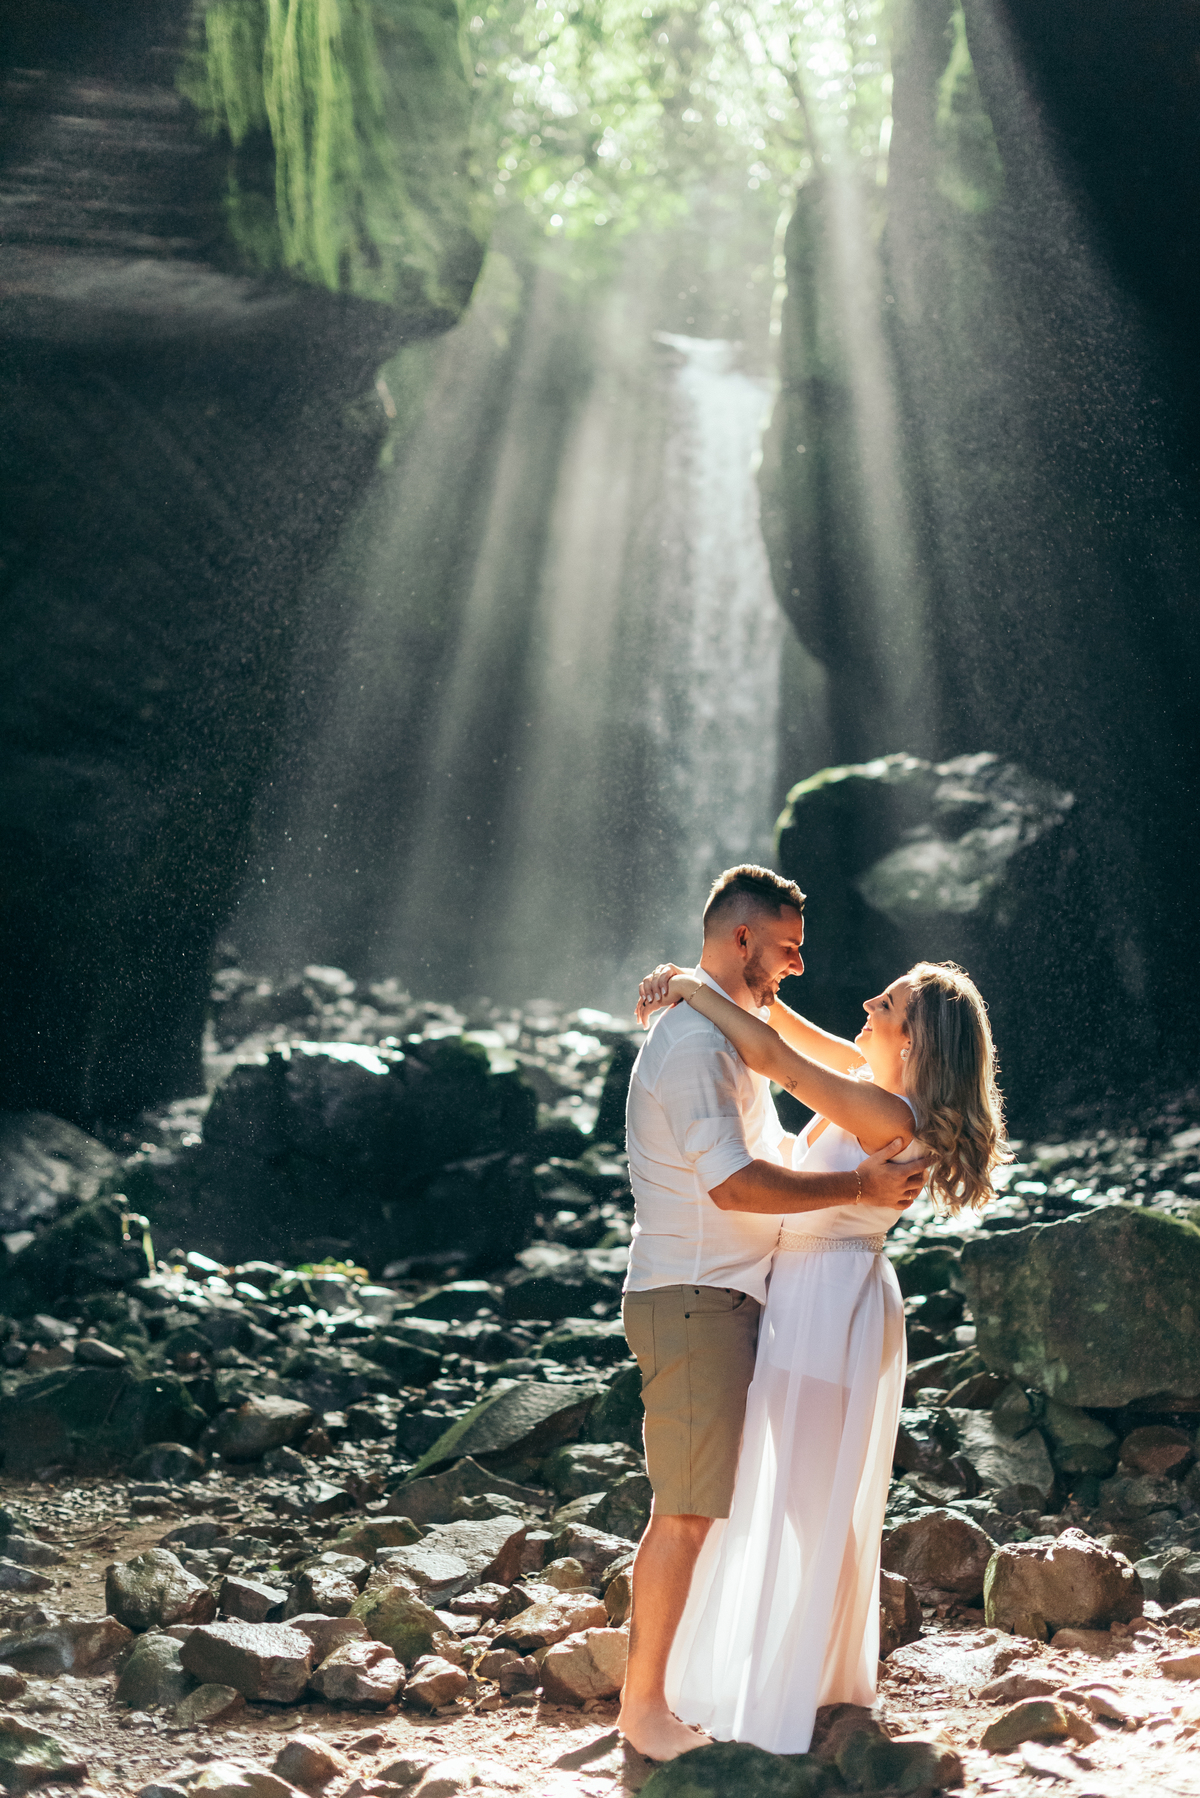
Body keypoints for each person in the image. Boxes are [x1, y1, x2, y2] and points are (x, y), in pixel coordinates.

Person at [635, 950, 1008, 1755]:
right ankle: (817, 1687)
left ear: (914, 1044)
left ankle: (797, 1700)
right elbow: (779, 1029)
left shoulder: (891, 1116)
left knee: (809, 1506)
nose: (868, 1001)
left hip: (827, 1307)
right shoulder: (878, 1091)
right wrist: (731, 985)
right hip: (816, 1298)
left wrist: (700, 991)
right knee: (804, 1499)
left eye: (891, 1002)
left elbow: (774, 1060)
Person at [615, 865, 931, 1762]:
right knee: (686, 1510)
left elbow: (787, 1053)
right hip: (698, 1300)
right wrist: (855, 1185)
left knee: (755, 1503)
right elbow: (734, 1182)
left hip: (751, 1300)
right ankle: (643, 1711)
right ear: (744, 938)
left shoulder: (730, 1035)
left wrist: (692, 984)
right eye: (787, 947)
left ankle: (776, 1678)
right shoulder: (694, 1046)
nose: (799, 964)